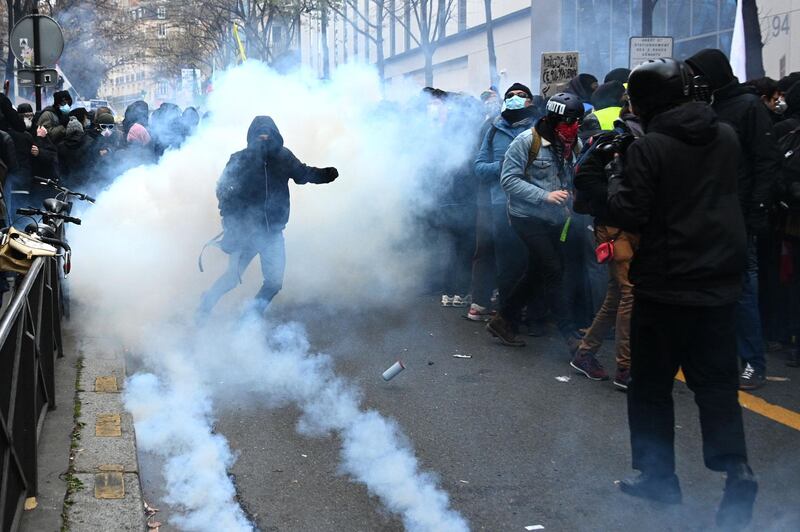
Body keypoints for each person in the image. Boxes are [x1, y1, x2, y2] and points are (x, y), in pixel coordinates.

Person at [608, 58, 757, 529]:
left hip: (667, 286)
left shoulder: (651, 148)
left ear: (647, 101)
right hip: (719, 284)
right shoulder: (726, 136)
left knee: (650, 386)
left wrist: (611, 176)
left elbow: (630, 211)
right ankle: (737, 470)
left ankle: (658, 477)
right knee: (716, 388)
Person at [687, 49, 782, 390]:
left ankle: (753, 363)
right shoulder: (709, 107)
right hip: (710, 213)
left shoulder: (748, 107)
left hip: (738, 215)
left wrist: (755, 210)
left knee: (742, 288)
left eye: (699, 73)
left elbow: (765, 162)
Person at [197, 116, 339, 317]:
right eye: (259, 134)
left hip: (272, 233)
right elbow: (222, 190)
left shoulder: (283, 157)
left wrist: (324, 175)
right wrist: (230, 219)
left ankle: (250, 317)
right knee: (231, 278)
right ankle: (205, 306)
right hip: (246, 233)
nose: (263, 139)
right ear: (251, 136)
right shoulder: (239, 159)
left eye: (268, 134)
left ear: (276, 135)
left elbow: (303, 174)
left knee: (273, 283)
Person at [486, 92, 585, 350]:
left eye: (577, 123)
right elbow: (508, 181)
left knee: (536, 272)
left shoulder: (573, 144)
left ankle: (504, 319)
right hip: (525, 216)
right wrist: (545, 195)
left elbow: (574, 174)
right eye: (568, 122)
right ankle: (570, 335)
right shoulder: (526, 142)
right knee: (553, 268)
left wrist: (571, 193)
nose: (573, 129)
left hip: (555, 219)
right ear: (553, 120)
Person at [571, 102, 643, 388]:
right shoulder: (615, 139)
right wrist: (615, 202)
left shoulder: (648, 135)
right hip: (615, 227)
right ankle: (626, 368)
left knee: (617, 293)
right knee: (630, 292)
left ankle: (585, 353)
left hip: (632, 226)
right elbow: (584, 176)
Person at [473, 83, 541, 324]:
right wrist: (502, 168)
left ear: (531, 102)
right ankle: (507, 315)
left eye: (521, 95)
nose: (515, 99)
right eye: (510, 96)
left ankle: (531, 313)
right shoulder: (493, 129)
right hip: (500, 204)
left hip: (534, 205)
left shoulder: (541, 128)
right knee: (507, 264)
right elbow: (479, 167)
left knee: (533, 260)